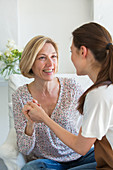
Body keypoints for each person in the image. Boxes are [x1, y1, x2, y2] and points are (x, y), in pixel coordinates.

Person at [24, 22, 113, 170]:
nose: (50, 63)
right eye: (42, 58)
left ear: (83, 51)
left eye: (71, 52)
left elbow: (81, 147)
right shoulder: (104, 89)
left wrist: (44, 118)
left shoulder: (98, 94)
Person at [12, 35, 96, 170]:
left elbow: (92, 118)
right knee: (30, 168)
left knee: (108, 157)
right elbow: (24, 149)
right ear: (30, 62)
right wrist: (30, 123)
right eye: (42, 58)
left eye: (54, 57)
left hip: (80, 156)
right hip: (47, 162)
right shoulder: (20, 96)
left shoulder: (71, 87)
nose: (50, 64)